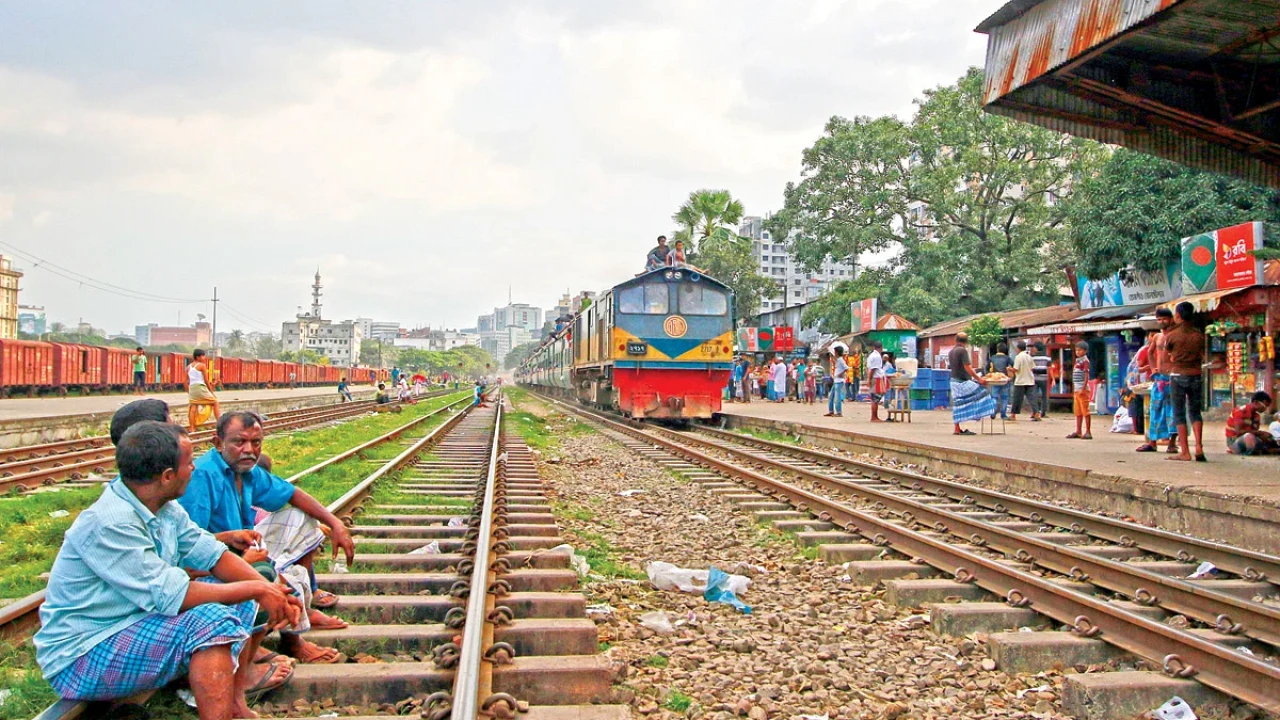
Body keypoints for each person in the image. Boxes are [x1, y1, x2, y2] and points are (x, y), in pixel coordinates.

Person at [35, 421, 302, 719]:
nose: (194, 470)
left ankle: (236, 706)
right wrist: (258, 588)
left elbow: (214, 555)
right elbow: (175, 594)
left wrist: (271, 590)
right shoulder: (111, 522)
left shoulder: (163, 508)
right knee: (210, 619)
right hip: (84, 656)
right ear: (167, 476)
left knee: (241, 594)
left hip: (133, 627)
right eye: (189, 464)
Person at [180, 412, 356, 664]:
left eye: (256, 443)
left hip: (243, 548)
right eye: (239, 442)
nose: (249, 450)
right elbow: (188, 546)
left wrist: (335, 523)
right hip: (210, 565)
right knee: (267, 574)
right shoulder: (203, 476)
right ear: (218, 443)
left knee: (303, 518)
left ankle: (304, 606)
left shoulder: (248, 471)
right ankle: (285, 642)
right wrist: (234, 549)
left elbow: (291, 493)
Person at [1165, 301, 1207, 462]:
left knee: (1179, 413)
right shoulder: (1198, 335)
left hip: (1178, 375)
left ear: (1178, 315)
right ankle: (1199, 446)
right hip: (1196, 375)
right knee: (1195, 412)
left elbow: (1169, 354)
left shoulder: (1172, 335)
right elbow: (1201, 353)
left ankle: (1185, 452)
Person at [1137, 310, 1177, 453]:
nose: (1161, 322)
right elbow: (1149, 352)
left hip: (1173, 378)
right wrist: (1153, 369)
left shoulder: (1175, 336)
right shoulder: (1157, 337)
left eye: (1164, 319)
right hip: (1159, 379)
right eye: (1159, 319)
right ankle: (1152, 442)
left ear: (1171, 319)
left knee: (1173, 412)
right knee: (1155, 411)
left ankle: (1172, 443)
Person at [948, 333, 993, 435]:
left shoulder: (952, 351)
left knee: (958, 403)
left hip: (954, 381)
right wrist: (979, 379)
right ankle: (981, 413)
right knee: (983, 393)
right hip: (961, 381)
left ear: (956, 340)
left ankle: (957, 428)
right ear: (966, 341)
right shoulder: (962, 351)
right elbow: (967, 367)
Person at [187, 349, 221, 431]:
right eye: (203, 356)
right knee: (215, 402)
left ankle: (192, 428)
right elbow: (206, 380)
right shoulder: (202, 366)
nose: (204, 357)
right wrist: (212, 392)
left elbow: (185, 381)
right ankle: (220, 424)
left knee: (193, 406)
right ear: (198, 357)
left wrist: (189, 392)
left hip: (192, 388)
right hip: (200, 387)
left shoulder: (188, 367)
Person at [1066, 341, 1093, 440]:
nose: (1077, 352)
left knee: (1085, 411)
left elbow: (1086, 375)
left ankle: (1088, 431)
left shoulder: (1085, 361)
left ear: (1085, 351)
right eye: (1076, 350)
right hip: (1077, 389)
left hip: (1082, 389)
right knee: (1078, 412)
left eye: (1080, 350)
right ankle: (1078, 431)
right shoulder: (1078, 360)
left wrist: (1083, 388)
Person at [1010, 340, 1039, 422]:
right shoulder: (1029, 356)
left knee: (1017, 399)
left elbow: (1015, 369)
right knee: (1032, 398)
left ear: (1018, 349)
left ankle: (1013, 415)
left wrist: (1009, 369)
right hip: (1030, 380)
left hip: (1020, 381)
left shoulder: (1018, 357)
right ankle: (1036, 413)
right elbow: (1032, 368)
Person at [987, 342, 1014, 420]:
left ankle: (993, 412)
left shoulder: (992, 358)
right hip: (1004, 380)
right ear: (1005, 350)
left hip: (995, 380)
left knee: (994, 397)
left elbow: (987, 367)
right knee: (1005, 398)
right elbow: (1013, 366)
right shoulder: (1007, 358)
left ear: (997, 349)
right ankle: (1003, 414)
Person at [1031, 342, 1052, 418]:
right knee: (1044, 396)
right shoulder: (1047, 357)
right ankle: (1043, 412)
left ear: (1036, 348)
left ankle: (1035, 411)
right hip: (1044, 378)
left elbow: (1031, 368)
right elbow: (1049, 368)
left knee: (1034, 395)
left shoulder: (1032, 357)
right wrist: (1052, 379)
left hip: (1034, 379)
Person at [866, 341, 886, 422]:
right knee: (875, 398)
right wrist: (869, 380)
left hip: (873, 377)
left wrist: (869, 378)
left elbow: (869, 369)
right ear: (881, 347)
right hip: (876, 378)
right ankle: (874, 417)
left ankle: (874, 416)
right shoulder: (877, 357)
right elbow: (873, 369)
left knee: (875, 398)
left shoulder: (871, 356)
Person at [826, 346, 848, 417]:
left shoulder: (841, 360)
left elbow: (846, 368)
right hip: (836, 380)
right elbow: (835, 361)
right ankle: (831, 411)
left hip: (839, 381)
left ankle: (838, 412)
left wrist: (841, 374)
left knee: (837, 397)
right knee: (831, 396)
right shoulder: (838, 360)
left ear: (837, 352)